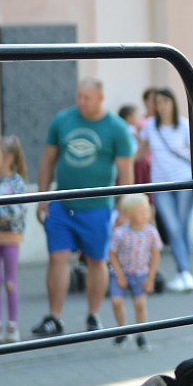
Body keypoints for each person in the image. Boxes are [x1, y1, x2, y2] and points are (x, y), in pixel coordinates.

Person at [33, 78, 134, 336]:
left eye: (87, 97)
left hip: (97, 207)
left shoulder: (117, 128)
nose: (81, 102)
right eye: (78, 96)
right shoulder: (63, 120)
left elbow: (126, 172)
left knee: (96, 261)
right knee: (57, 257)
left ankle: (93, 315)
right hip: (62, 205)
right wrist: (42, 196)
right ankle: (54, 317)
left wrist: (125, 210)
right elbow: (47, 160)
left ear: (100, 98)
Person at [137, 88, 193, 292]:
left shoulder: (185, 125)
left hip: (184, 182)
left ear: (173, 103)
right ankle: (184, 272)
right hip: (160, 184)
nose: (161, 106)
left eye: (165, 102)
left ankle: (183, 272)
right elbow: (140, 153)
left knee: (182, 227)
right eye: (158, 102)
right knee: (172, 228)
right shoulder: (150, 126)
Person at [0, 135, 28, 344]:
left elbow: (18, 208)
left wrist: (0, 215)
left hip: (11, 239)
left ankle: (12, 325)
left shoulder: (17, 182)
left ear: (9, 158)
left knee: (10, 282)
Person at [108, 193, 161, 351]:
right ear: (129, 214)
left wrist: (151, 277)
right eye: (142, 212)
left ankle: (141, 334)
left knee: (139, 304)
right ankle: (123, 330)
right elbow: (112, 253)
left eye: (148, 211)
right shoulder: (120, 233)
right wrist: (119, 274)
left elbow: (156, 254)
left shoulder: (151, 233)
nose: (146, 215)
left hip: (140, 274)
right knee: (116, 301)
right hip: (121, 273)